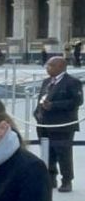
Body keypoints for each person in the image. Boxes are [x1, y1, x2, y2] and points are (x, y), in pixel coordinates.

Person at [34, 56, 82, 192]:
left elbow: (77, 101)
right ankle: (50, 178)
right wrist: (37, 113)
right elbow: (41, 99)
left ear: (60, 67)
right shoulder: (46, 82)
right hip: (44, 124)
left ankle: (67, 180)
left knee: (63, 153)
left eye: (50, 65)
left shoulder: (72, 82)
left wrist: (54, 105)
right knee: (48, 152)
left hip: (62, 125)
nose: (47, 68)